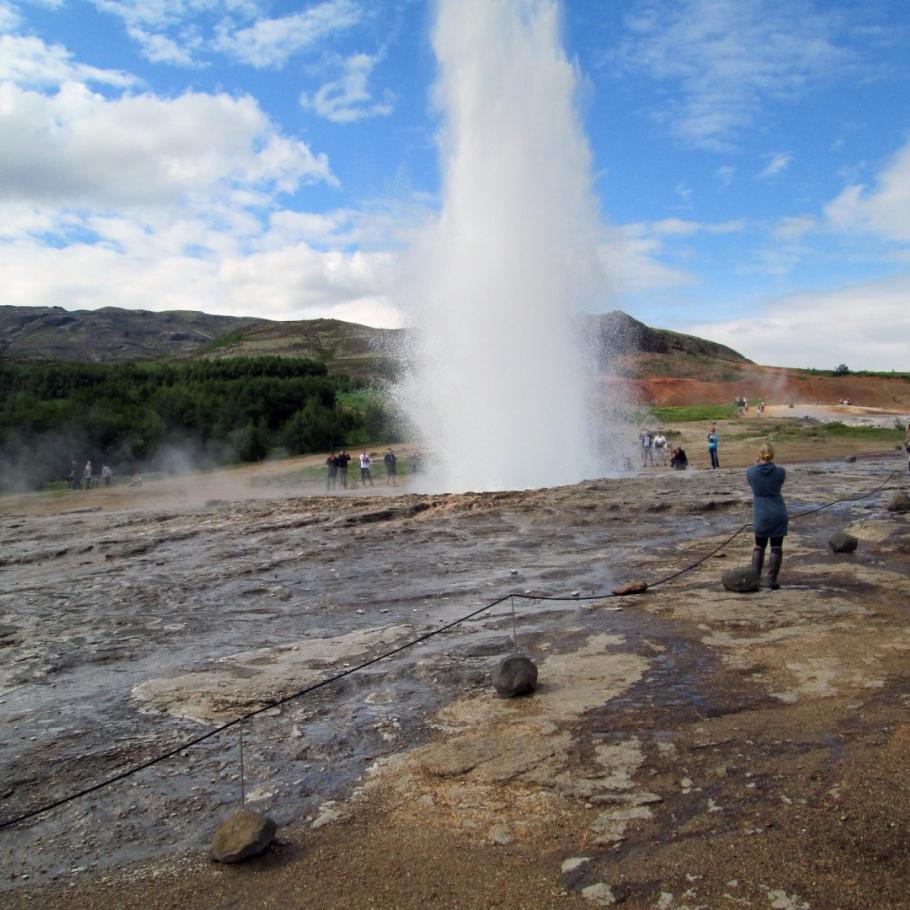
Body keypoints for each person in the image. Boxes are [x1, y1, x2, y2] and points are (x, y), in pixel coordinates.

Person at [747, 443, 788, 590]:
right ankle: (772, 580)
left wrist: (755, 465)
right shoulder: (781, 472)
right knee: (776, 547)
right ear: (772, 455)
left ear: (759, 455)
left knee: (759, 547)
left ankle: (755, 578)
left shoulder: (750, 472)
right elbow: (778, 484)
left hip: (761, 513)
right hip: (779, 511)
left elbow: (752, 483)